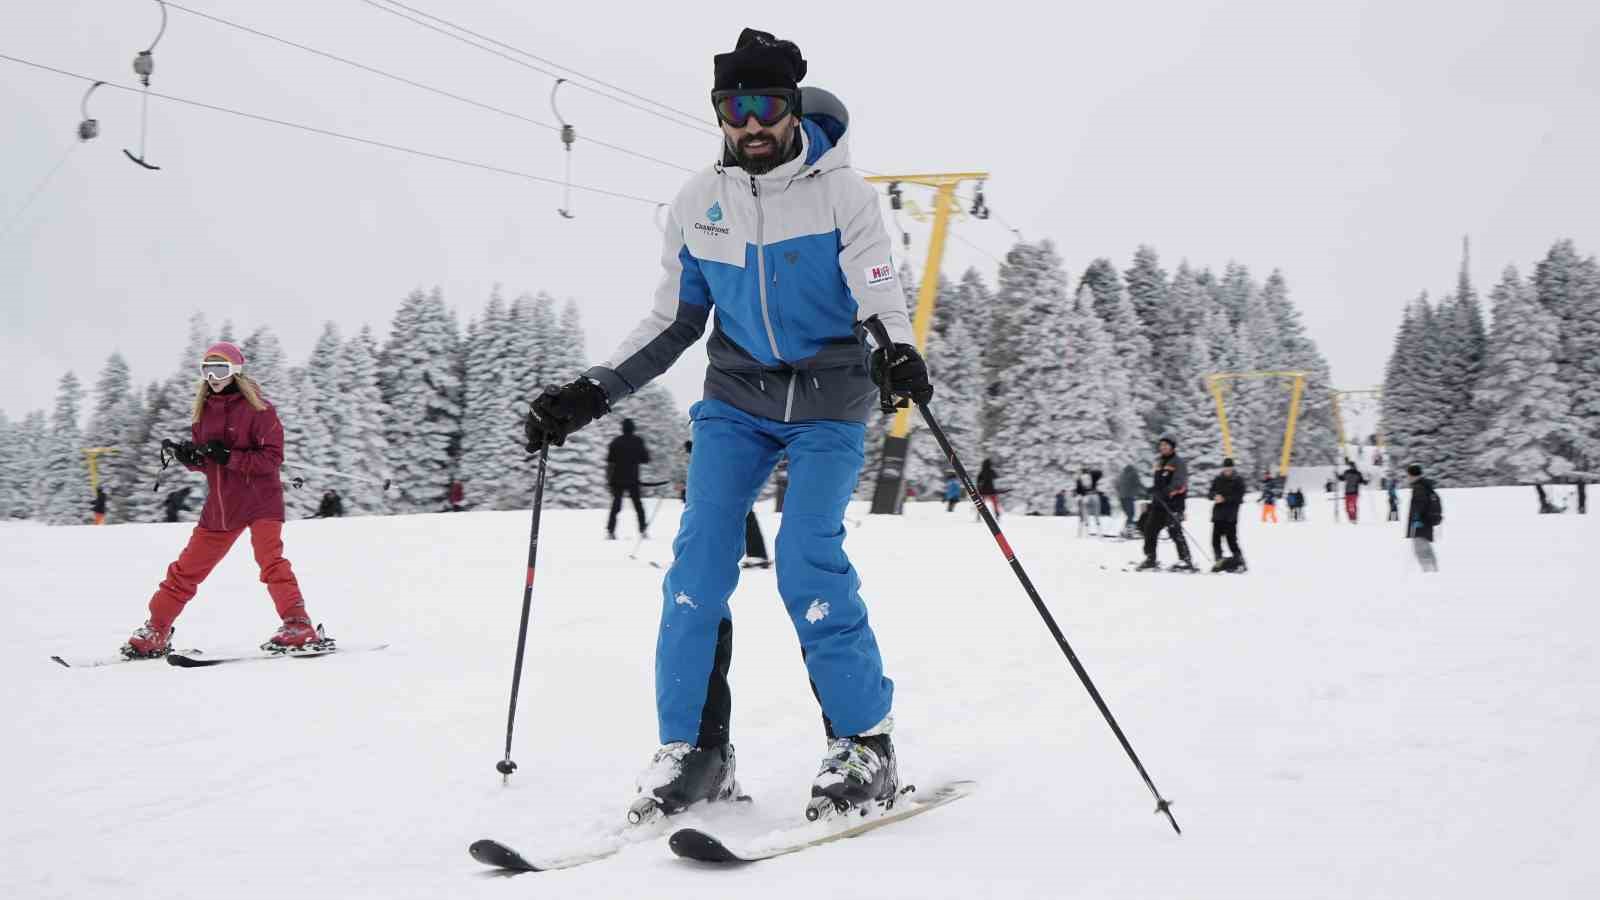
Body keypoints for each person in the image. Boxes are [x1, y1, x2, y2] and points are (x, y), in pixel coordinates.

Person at [521, 28, 921, 822]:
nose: (752, 125)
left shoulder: (844, 195)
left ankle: (863, 745)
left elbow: (878, 285)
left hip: (828, 399)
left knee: (807, 557)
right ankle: (696, 750)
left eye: (766, 106)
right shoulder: (699, 202)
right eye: (734, 109)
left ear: (792, 106)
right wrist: (593, 391)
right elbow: (673, 321)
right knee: (698, 563)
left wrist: (896, 350)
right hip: (737, 399)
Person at [122, 341, 323, 658]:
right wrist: (189, 456)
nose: (213, 376)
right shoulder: (202, 414)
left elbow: (272, 459)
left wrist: (229, 455)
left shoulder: (261, 410)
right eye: (207, 370)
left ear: (236, 372)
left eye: (220, 369)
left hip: (260, 501)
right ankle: (155, 630)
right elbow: (208, 463)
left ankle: (298, 624)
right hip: (222, 505)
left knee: (271, 563)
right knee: (185, 571)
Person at [1138, 436, 1193, 571]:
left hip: (1174, 503)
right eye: (1161, 445)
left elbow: (1180, 484)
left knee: (1174, 531)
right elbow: (1159, 483)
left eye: (1166, 445)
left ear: (1172, 447)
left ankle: (1185, 560)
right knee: (1149, 529)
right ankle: (1150, 559)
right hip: (1159, 504)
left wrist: (1166, 492)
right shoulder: (1159, 463)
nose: (1163, 447)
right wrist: (1152, 489)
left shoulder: (1178, 462)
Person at [606, 418, 651, 540]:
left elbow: (610, 462)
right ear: (633, 428)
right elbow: (646, 459)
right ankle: (643, 530)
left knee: (616, 506)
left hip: (617, 479)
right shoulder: (638, 441)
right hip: (633, 479)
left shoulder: (616, 442)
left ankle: (610, 531)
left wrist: (609, 480)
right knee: (638, 506)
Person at [1209, 457, 1246, 572]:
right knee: (1215, 540)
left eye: (1229, 468)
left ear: (1233, 468)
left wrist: (1224, 499)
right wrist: (1214, 496)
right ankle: (1219, 561)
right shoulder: (1218, 479)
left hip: (1230, 516)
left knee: (1231, 541)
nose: (1227, 470)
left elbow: (1239, 497)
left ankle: (1240, 562)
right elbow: (1210, 493)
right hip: (1218, 515)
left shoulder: (1238, 480)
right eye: (1225, 468)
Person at [1405, 463, 1442, 572]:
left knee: (1421, 551)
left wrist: (1415, 522)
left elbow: (1418, 506)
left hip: (1420, 524)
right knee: (1426, 550)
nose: (1408, 478)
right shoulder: (1425, 486)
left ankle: (1430, 574)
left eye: (1408, 475)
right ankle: (1434, 571)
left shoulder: (1418, 488)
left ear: (1412, 475)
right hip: (1426, 524)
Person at [1116, 463, 1142, 537]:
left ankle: (1126, 531)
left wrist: (1120, 493)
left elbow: (1117, 485)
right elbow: (1138, 484)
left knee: (1129, 515)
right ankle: (1129, 532)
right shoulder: (1134, 473)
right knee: (1131, 514)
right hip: (1129, 497)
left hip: (1121, 497)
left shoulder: (1122, 474)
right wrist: (1146, 491)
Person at [1341, 459, 1368, 523]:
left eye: (1352, 466)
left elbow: (1361, 481)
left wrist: (1366, 482)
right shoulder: (1346, 472)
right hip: (1347, 492)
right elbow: (1342, 478)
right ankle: (1351, 519)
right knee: (1347, 507)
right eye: (1350, 466)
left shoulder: (1358, 473)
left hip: (1354, 492)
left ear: (1354, 466)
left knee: (1352, 505)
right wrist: (1336, 475)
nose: (1351, 467)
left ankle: (1354, 518)